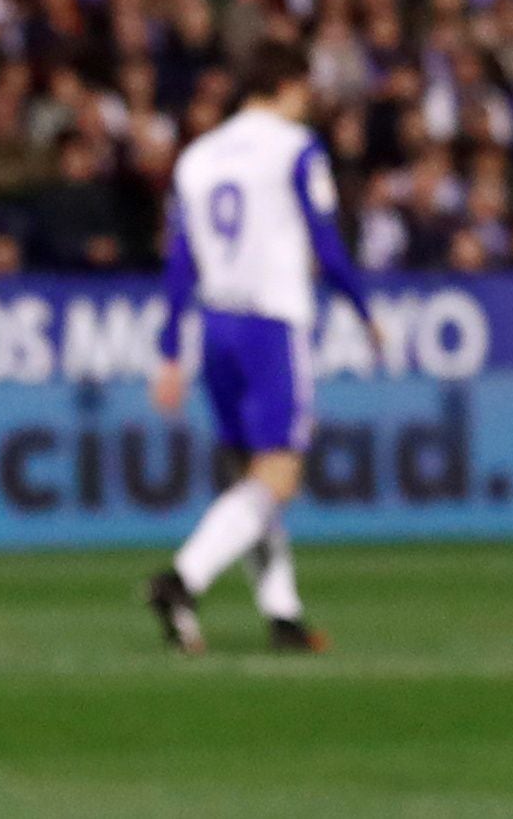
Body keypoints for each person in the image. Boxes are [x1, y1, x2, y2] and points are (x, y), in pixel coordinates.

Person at [145, 46, 373, 654]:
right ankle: (182, 579)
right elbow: (325, 240)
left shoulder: (197, 156)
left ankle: (282, 614)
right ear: (288, 86)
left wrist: (171, 350)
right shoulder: (295, 148)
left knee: (252, 476)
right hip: (274, 323)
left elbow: (179, 261)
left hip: (217, 324)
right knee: (278, 473)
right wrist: (364, 307)